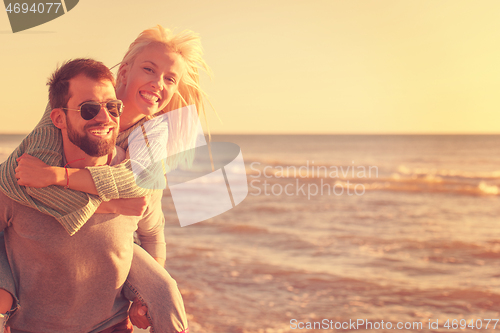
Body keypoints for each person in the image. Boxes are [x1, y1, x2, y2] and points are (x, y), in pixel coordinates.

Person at [0, 25, 210, 331]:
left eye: (169, 79)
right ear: (124, 71)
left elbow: (140, 192)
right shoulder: (71, 105)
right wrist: (110, 205)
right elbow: (19, 182)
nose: (157, 83)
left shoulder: (150, 135)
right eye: (149, 69)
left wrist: (141, 300)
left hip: (112, 299)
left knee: (166, 295)